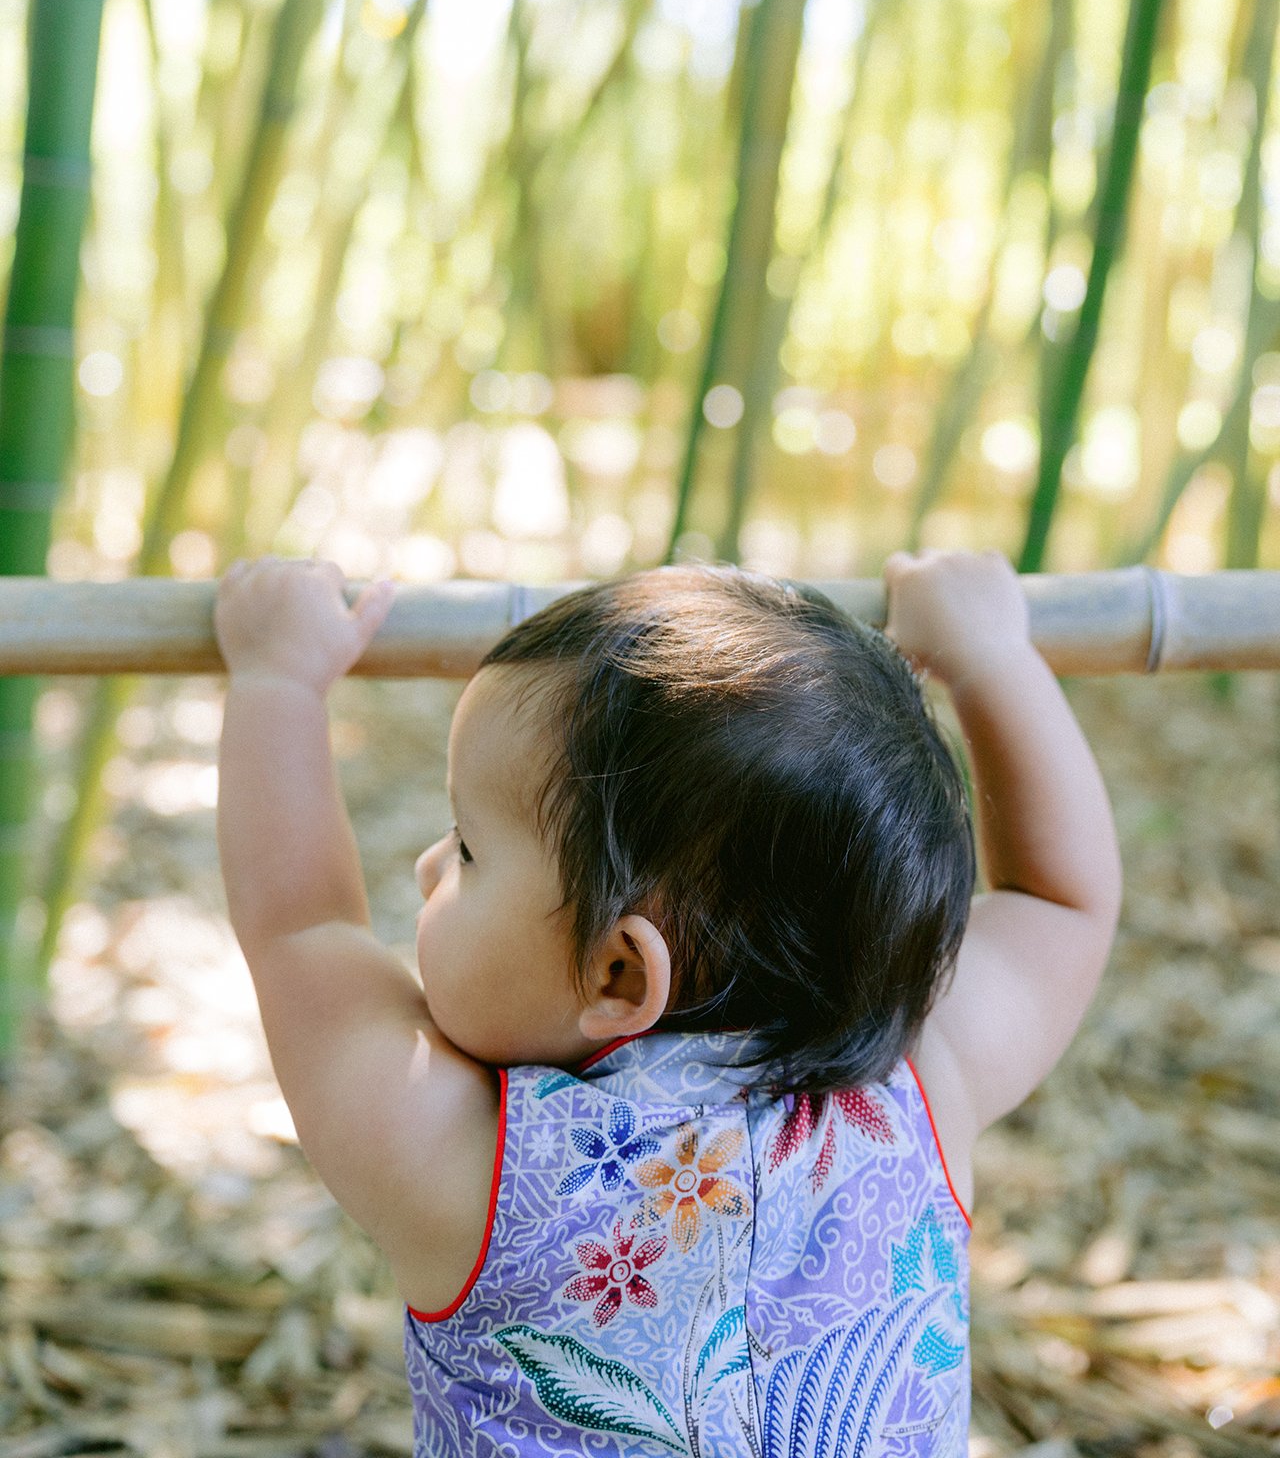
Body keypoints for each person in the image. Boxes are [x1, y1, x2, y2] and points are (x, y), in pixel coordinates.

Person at [213, 548, 1121, 1458]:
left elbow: (300, 926)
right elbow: (1061, 900)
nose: (427, 865)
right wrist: (992, 656)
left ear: (619, 976)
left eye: (468, 846)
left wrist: (278, 680)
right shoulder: (920, 1091)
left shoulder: (464, 1162)